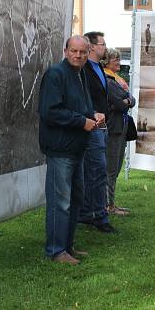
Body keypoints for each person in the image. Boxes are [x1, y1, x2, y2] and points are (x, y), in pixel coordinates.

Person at [39, 36, 100, 264]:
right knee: (60, 202)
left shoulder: (80, 74)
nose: (78, 55)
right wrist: (81, 121)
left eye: (82, 52)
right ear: (65, 51)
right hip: (60, 149)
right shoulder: (56, 75)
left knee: (75, 200)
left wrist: (92, 115)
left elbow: (80, 107)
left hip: (77, 148)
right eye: (73, 51)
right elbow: (50, 112)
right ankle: (56, 250)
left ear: (88, 53)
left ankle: (67, 246)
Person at [78, 32, 115, 233]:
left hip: (102, 127)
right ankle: (99, 216)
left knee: (95, 171)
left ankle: (88, 213)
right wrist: (91, 114)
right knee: (97, 172)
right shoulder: (83, 69)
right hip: (91, 127)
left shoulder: (99, 67)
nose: (105, 47)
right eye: (103, 44)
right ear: (92, 47)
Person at [103, 48, 136, 216]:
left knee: (116, 166)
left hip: (120, 127)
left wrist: (127, 99)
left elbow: (131, 99)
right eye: (115, 59)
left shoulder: (117, 79)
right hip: (113, 128)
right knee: (111, 168)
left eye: (119, 59)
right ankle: (108, 205)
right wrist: (127, 99)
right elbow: (122, 103)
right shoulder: (109, 81)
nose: (118, 62)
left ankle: (110, 203)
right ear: (106, 61)